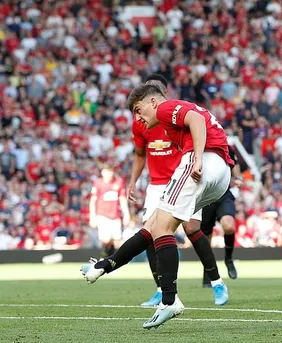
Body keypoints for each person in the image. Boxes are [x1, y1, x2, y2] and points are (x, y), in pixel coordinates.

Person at [84, 84, 233, 329]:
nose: (138, 117)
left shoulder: (164, 108)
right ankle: (106, 265)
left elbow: (195, 119)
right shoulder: (167, 124)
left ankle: (169, 299)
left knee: (162, 228)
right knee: (155, 225)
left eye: (138, 109)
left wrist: (196, 158)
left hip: (205, 160)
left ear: (152, 102)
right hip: (219, 173)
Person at [201, 146, 242, 284]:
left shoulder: (224, 144)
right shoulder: (197, 143)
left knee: (228, 226)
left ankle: (228, 258)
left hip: (224, 193)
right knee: (206, 236)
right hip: (205, 196)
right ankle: (208, 270)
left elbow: (234, 162)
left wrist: (238, 178)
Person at [89, 164, 130, 258]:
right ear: (103, 172)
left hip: (115, 215)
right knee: (106, 239)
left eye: (111, 171)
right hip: (102, 215)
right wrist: (92, 217)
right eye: (107, 171)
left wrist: (126, 214)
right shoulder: (98, 183)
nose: (109, 174)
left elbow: (122, 199)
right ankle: (105, 259)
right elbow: (93, 201)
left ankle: (114, 262)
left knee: (117, 240)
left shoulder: (118, 182)